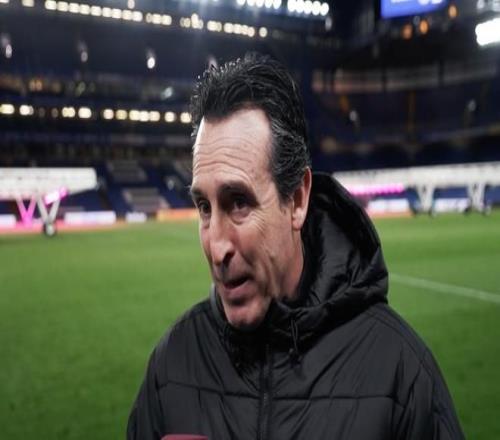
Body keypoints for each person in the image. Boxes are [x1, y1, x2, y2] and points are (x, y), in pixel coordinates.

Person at [127, 53, 464, 440]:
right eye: (204, 207)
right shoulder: (171, 367)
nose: (216, 248)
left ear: (298, 200)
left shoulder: (399, 374)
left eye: (239, 202)